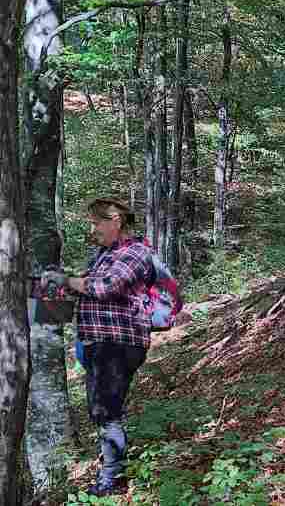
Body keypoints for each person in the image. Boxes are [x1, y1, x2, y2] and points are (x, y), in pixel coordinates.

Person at [41, 198, 154, 497]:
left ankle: (112, 479)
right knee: (101, 409)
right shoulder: (103, 254)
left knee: (106, 411)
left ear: (115, 220)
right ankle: (115, 469)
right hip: (97, 342)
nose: (93, 228)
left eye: (96, 222)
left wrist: (67, 279)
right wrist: (59, 282)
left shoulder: (136, 252)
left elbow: (106, 287)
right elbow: (87, 288)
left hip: (119, 343)